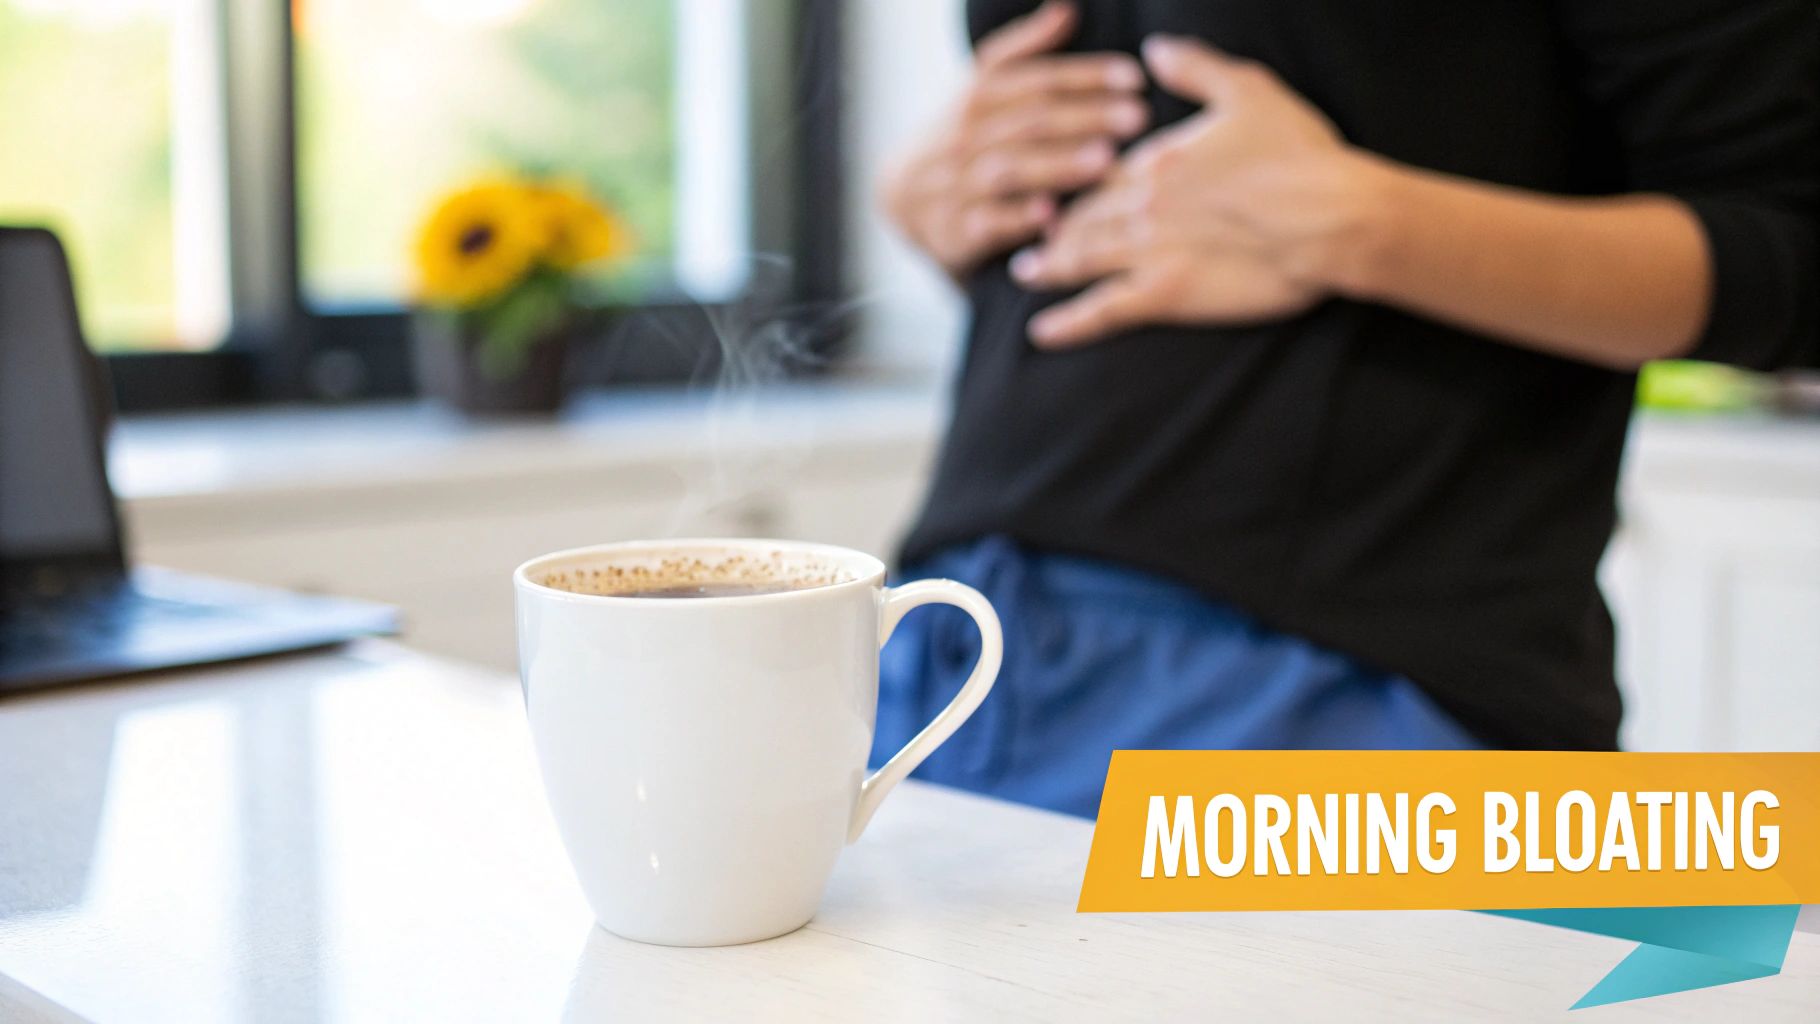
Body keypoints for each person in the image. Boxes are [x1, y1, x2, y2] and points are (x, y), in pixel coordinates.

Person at [868, 0, 1820, 818]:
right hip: (943, 648)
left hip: (1334, 688)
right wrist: (942, 203)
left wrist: (1366, 225)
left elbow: (1793, 247)